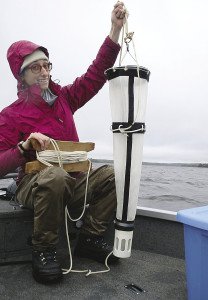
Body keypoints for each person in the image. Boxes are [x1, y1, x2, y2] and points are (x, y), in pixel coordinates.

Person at [0, 2, 126, 283]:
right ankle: (43, 249)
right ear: (21, 75)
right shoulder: (10, 115)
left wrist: (115, 30)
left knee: (115, 175)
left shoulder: (65, 100)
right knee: (55, 176)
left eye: (46, 64)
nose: (44, 71)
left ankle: (90, 239)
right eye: (35, 67)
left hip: (74, 181)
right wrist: (23, 148)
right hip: (34, 185)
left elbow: (95, 75)